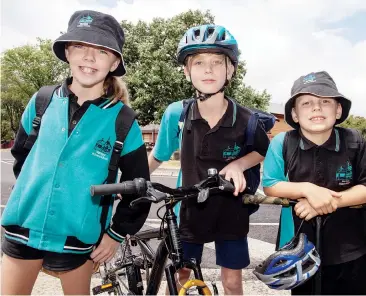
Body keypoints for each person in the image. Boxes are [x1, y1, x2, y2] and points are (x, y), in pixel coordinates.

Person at [1, 10, 150, 295]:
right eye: (80, 46)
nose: (89, 58)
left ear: (115, 62)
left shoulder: (123, 121)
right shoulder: (41, 101)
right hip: (23, 229)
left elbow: (138, 189)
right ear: (67, 52)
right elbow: (22, 159)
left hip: (78, 240)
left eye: (101, 51)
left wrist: (115, 235)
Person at [148, 24, 270, 295]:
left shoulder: (247, 119)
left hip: (231, 211)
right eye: (199, 62)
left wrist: (238, 164)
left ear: (231, 69)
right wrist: (134, 180)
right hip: (188, 210)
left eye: (217, 62)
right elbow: (158, 155)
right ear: (186, 70)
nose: (208, 69)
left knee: (232, 282)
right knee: (179, 276)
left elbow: (261, 150)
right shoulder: (176, 114)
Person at [262, 71, 366, 295]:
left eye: (325, 101)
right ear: (294, 114)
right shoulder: (283, 142)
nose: (316, 108)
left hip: (352, 250)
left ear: (338, 110)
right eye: (307, 102)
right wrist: (307, 190)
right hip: (302, 254)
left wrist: (327, 202)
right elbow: (270, 184)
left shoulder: (355, 141)